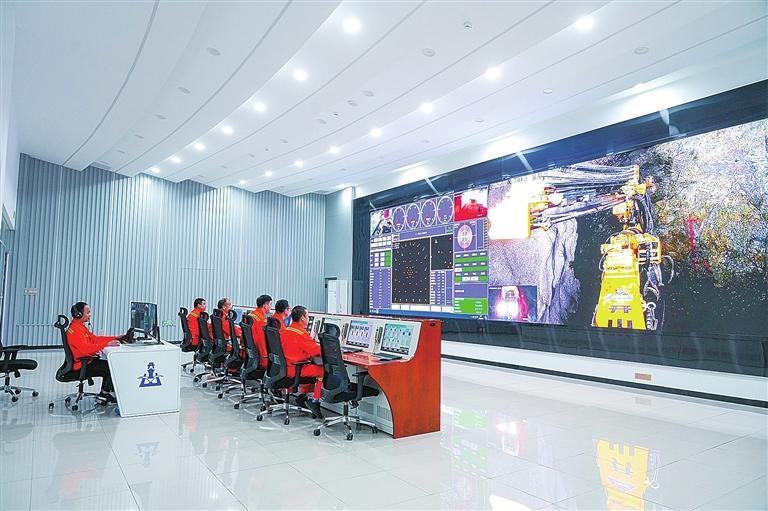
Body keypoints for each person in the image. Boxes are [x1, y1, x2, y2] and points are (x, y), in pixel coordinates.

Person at [66, 302, 129, 403]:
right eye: (88, 312)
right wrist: (107, 344)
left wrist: (116, 338)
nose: (90, 314)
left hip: (83, 361)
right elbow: (85, 349)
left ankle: (105, 393)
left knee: (109, 366)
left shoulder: (78, 326)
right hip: (81, 364)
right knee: (113, 367)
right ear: (79, 315)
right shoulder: (76, 330)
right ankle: (104, 395)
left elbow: (94, 339)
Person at [280, 305, 323, 419]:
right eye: (307, 316)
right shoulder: (301, 333)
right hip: (294, 369)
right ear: (302, 318)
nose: (308, 319)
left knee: (312, 364)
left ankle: (302, 397)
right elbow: (315, 351)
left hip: (283, 368)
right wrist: (331, 348)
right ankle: (315, 401)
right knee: (322, 370)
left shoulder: (286, 330)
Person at [248, 294, 272, 369]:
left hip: (248, 352)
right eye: (270, 304)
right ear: (265, 305)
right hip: (257, 353)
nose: (271, 307)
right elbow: (261, 341)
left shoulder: (250, 315)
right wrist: (265, 358)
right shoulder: (261, 320)